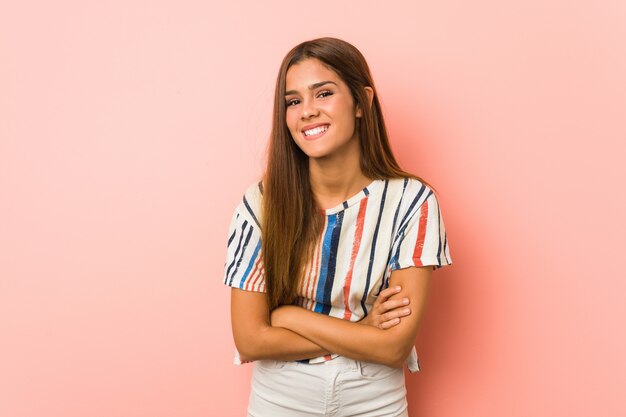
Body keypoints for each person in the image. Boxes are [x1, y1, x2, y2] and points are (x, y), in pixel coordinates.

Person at [223, 37, 452, 417]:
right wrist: (364, 329)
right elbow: (249, 340)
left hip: (374, 397)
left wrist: (288, 316)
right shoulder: (260, 203)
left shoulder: (413, 202)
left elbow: (394, 347)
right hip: (280, 397)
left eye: (323, 93)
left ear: (362, 102)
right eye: (293, 101)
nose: (307, 111)